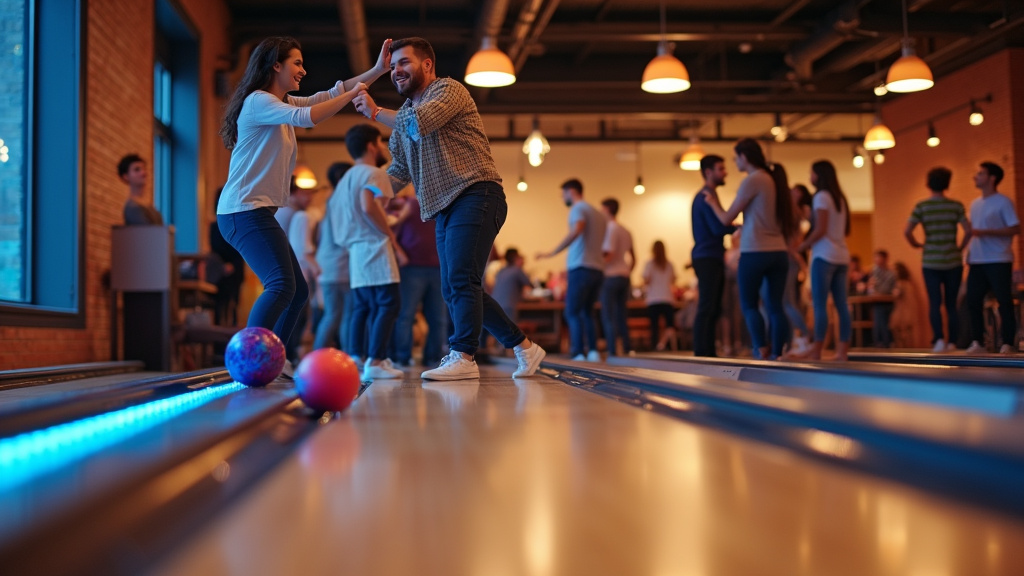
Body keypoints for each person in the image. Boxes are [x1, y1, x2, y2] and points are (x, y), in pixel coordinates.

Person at [350, 36, 545, 380]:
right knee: (456, 287)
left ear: (427, 65)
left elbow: (418, 124)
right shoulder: (404, 115)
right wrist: (364, 190)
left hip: (477, 193)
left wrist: (375, 112)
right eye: (392, 66)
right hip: (444, 206)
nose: (396, 71)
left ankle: (464, 357)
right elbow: (398, 172)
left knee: (460, 280)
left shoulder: (448, 91)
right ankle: (525, 348)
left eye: (404, 63)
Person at [216, 36, 390, 377]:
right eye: (296, 62)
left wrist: (378, 70)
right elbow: (309, 117)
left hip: (255, 211)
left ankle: (272, 362)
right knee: (282, 285)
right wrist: (353, 95)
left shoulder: (279, 103)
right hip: (242, 210)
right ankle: (250, 362)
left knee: (297, 292)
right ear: (275, 65)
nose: (303, 69)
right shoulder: (258, 102)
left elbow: (326, 96)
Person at [703, 138, 798, 360]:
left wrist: (712, 202)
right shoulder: (774, 180)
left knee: (749, 304)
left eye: (736, 158)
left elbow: (727, 218)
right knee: (776, 306)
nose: (735, 163)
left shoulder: (753, 180)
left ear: (745, 157)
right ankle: (777, 353)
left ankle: (760, 349)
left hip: (755, 251)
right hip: (778, 253)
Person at [330, 124, 404, 379]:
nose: (383, 148)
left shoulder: (344, 180)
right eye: (381, 142)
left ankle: (355, 357)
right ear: (372, 145)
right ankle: (376, 360)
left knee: (361, 307)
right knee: (388, 303)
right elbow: (367, 204)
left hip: (355, 249)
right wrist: (389, 234)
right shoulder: (374, 172)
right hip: (373, 245)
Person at [537, 179, 608, 362]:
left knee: (572, 312)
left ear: (571, 191)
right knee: (587, 311)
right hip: (597, 269)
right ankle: (592, 351)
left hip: (581, 268)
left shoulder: (578, 209)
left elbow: (577, 229)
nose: (563, 198)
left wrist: (552, 252)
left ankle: (577, 353)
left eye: (563, 194)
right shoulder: (599, 214)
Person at [904, 167, 972, 353]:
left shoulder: (922, 207)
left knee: (935, 302)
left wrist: (917, 244)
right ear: (947, 183)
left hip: (931, 261)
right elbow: (968, 230)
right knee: (952, 303)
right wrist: (959, 247)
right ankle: (953, 341)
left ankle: (939, 339)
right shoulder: (955, 206)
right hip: (953, 260)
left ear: (928, 183)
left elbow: (907, 231)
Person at [795, 160, 852, 361]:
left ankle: (817, 350)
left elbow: (820, 229)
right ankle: (842, 351)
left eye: (811, 173)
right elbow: (844, 229)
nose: (810, 177)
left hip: (824, 256)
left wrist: (802, 246)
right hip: (842, 256)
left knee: (819, 305)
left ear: (818, 175)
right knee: (841, 305)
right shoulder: (840, 199)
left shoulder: (821, 196)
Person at [964, 162, 1020, 354]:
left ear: (992, 178)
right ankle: (977, 342)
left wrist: (986, 232)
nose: (976, 176)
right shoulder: (974, 203)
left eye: (980, 173)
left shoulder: (1003, 202)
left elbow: (1015, 228)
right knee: (972, 300)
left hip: (998, 259)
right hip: (977, 260)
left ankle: (1007, 342)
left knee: (1004, 300)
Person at [390, 195, 447, 367]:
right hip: (412, 266)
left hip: (437, 267)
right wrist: (399, 252)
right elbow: (392, 228)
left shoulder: (442, 202)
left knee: (438, 318)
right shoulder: (412, 204)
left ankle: (433, 357)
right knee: (406, 315)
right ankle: (403, 357)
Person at [690, 154, 736, 357]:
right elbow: (718, 228)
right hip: (707, 256)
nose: (725, 172)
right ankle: (702, 352)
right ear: (708, 172)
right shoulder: (705, 197)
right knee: (708, 305)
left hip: (712, 255)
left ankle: (707, 350)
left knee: (714, 306)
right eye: (721, 168)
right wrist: (741, 226)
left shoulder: (710, 196)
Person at [277, 177, 318, 363]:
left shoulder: (281, 212)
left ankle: (284, 354)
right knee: (295, 310)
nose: (309, 198)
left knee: (290, 310)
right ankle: (286, 355)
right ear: (294, 193)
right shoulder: (295, 215)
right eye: (305, 194)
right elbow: (298, 246)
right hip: (291, 268)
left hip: (282, 268)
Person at [313, 162, 353, 351]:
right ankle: (348, 359)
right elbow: (342, 236)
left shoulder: (331, 200)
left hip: (329, 264)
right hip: (340, 265)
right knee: (343, 316)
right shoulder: (343, 199)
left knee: (333, 315)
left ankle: (317, 357)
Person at [599, 198, 636, 358]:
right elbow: (634, 257)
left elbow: (609, 253)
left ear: (607, 210)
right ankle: (627, 348)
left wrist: (597, 265)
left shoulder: (610, 229)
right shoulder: (625, 230)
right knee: (622, 314)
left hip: (611, 276)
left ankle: (612, 350)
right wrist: (628, 271)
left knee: (608, 315)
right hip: (624, 276)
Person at [209, 187, 245, 326]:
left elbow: (240, 248)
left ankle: (233, 333)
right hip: (220, 269)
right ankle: (220, 343)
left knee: (235, 303)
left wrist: (233, 264)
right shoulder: (214, 225)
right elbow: (215, 248)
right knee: (220, 303)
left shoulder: (238, 223)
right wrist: (224, 265)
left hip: (235, 267)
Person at [643, 241, 678, 351]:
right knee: (669, 326)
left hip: (653, 299)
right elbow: (674, 279)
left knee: (654, 327)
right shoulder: (669, 264)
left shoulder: (649, 264)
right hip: (667, 298)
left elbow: (646, 280)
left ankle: (656, 346)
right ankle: (667, 345)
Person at [118, 154, 163, 226]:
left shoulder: (149, 207)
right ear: (126, 176)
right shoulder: (132, 208)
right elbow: (147, 234)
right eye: (137, 170)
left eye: (144, 169)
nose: (143, 173)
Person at [491, 248, 532, 321]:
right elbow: (529, 284)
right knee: (510, 329)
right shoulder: (517, 270)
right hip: (508, 306)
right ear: (516, 258)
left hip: (494, 304)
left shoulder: (501, 270)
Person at [867, 249, 898, 348]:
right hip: (876, 301)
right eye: (875, 257)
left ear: (885, 259)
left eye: (879, 257)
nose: (877, 260)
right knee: (878, 317)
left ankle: (883, 342)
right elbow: (871, 288)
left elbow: (887, 289)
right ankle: (883, 341)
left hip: (887, 302)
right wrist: (870, 287)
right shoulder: (874, 272)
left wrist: (877, 290)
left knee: (881, 317)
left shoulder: (891, 274)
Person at [890, 261, 920, 348]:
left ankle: (902, 347)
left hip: (902, 309)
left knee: (898, 329)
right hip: (909, 309)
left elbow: (896, 294)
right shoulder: (909, 283)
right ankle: (909, 347)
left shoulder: (900, 283)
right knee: (908, 331)